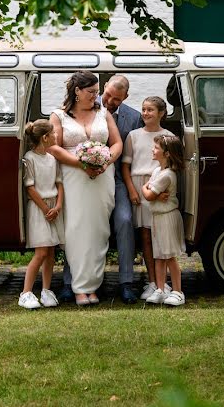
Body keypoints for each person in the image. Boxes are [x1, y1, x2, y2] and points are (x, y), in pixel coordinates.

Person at [49, 71, 122, 306]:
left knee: (99, 231)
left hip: (102, 177)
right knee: (77, 230)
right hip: (73, 179)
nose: (95, 96)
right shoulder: (58, 115)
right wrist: (82, 163)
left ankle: (94, 286)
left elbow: (117, 142)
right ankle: (80, 288)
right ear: (77, 92)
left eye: (96, 92)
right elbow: (54, 147)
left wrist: (105, 161)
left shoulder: (104, 113)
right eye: (91, 92)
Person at [98, 74, 144, 304]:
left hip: (118, 180)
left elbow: (134, 156)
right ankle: (74, 281)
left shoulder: (134, 118)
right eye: (108, 95)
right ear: (104, 86)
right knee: (83, 225)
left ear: (125, 97)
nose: (110, 101)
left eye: (117, 99)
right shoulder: (84, 108)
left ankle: (126, 282)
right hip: (90, 180)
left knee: (125, 221)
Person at [121, 96, 171, 300]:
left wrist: (163, 190)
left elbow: (172, 166)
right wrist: (132, 190)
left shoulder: (167, 136)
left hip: (159, 183)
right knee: (145, 236)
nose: (145, 113)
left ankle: (163, 282)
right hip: (139, 186)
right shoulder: (133, 135)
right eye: (143, 109)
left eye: (150, 110)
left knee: (160, 235)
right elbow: (125, 166)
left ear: (161, 113)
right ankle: (151, 282)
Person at [18, 119, 64, 310]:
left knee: (51, 251)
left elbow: (59, 183)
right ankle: (26, 292)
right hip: (40, 209)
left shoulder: (53, 158)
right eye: (53, 134)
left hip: (53, 208)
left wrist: (58, 206)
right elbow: (30, 188)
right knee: (41, 252)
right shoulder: (29, 158)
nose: (56, 136)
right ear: (45, 138)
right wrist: (46, 209)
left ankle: (46, 290)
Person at [142, 134, 186, 307]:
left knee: (169, 256)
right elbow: (150, 193)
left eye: (156, 148)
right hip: (157, 216)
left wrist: (147, 188)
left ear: (166, 154)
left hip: (167, 216)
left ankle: (178, 291)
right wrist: (149, 190)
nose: (153, 150)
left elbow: (148, 195)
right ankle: (160, 289)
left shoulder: (167, 175)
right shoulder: (157, 171)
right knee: (159, 255)